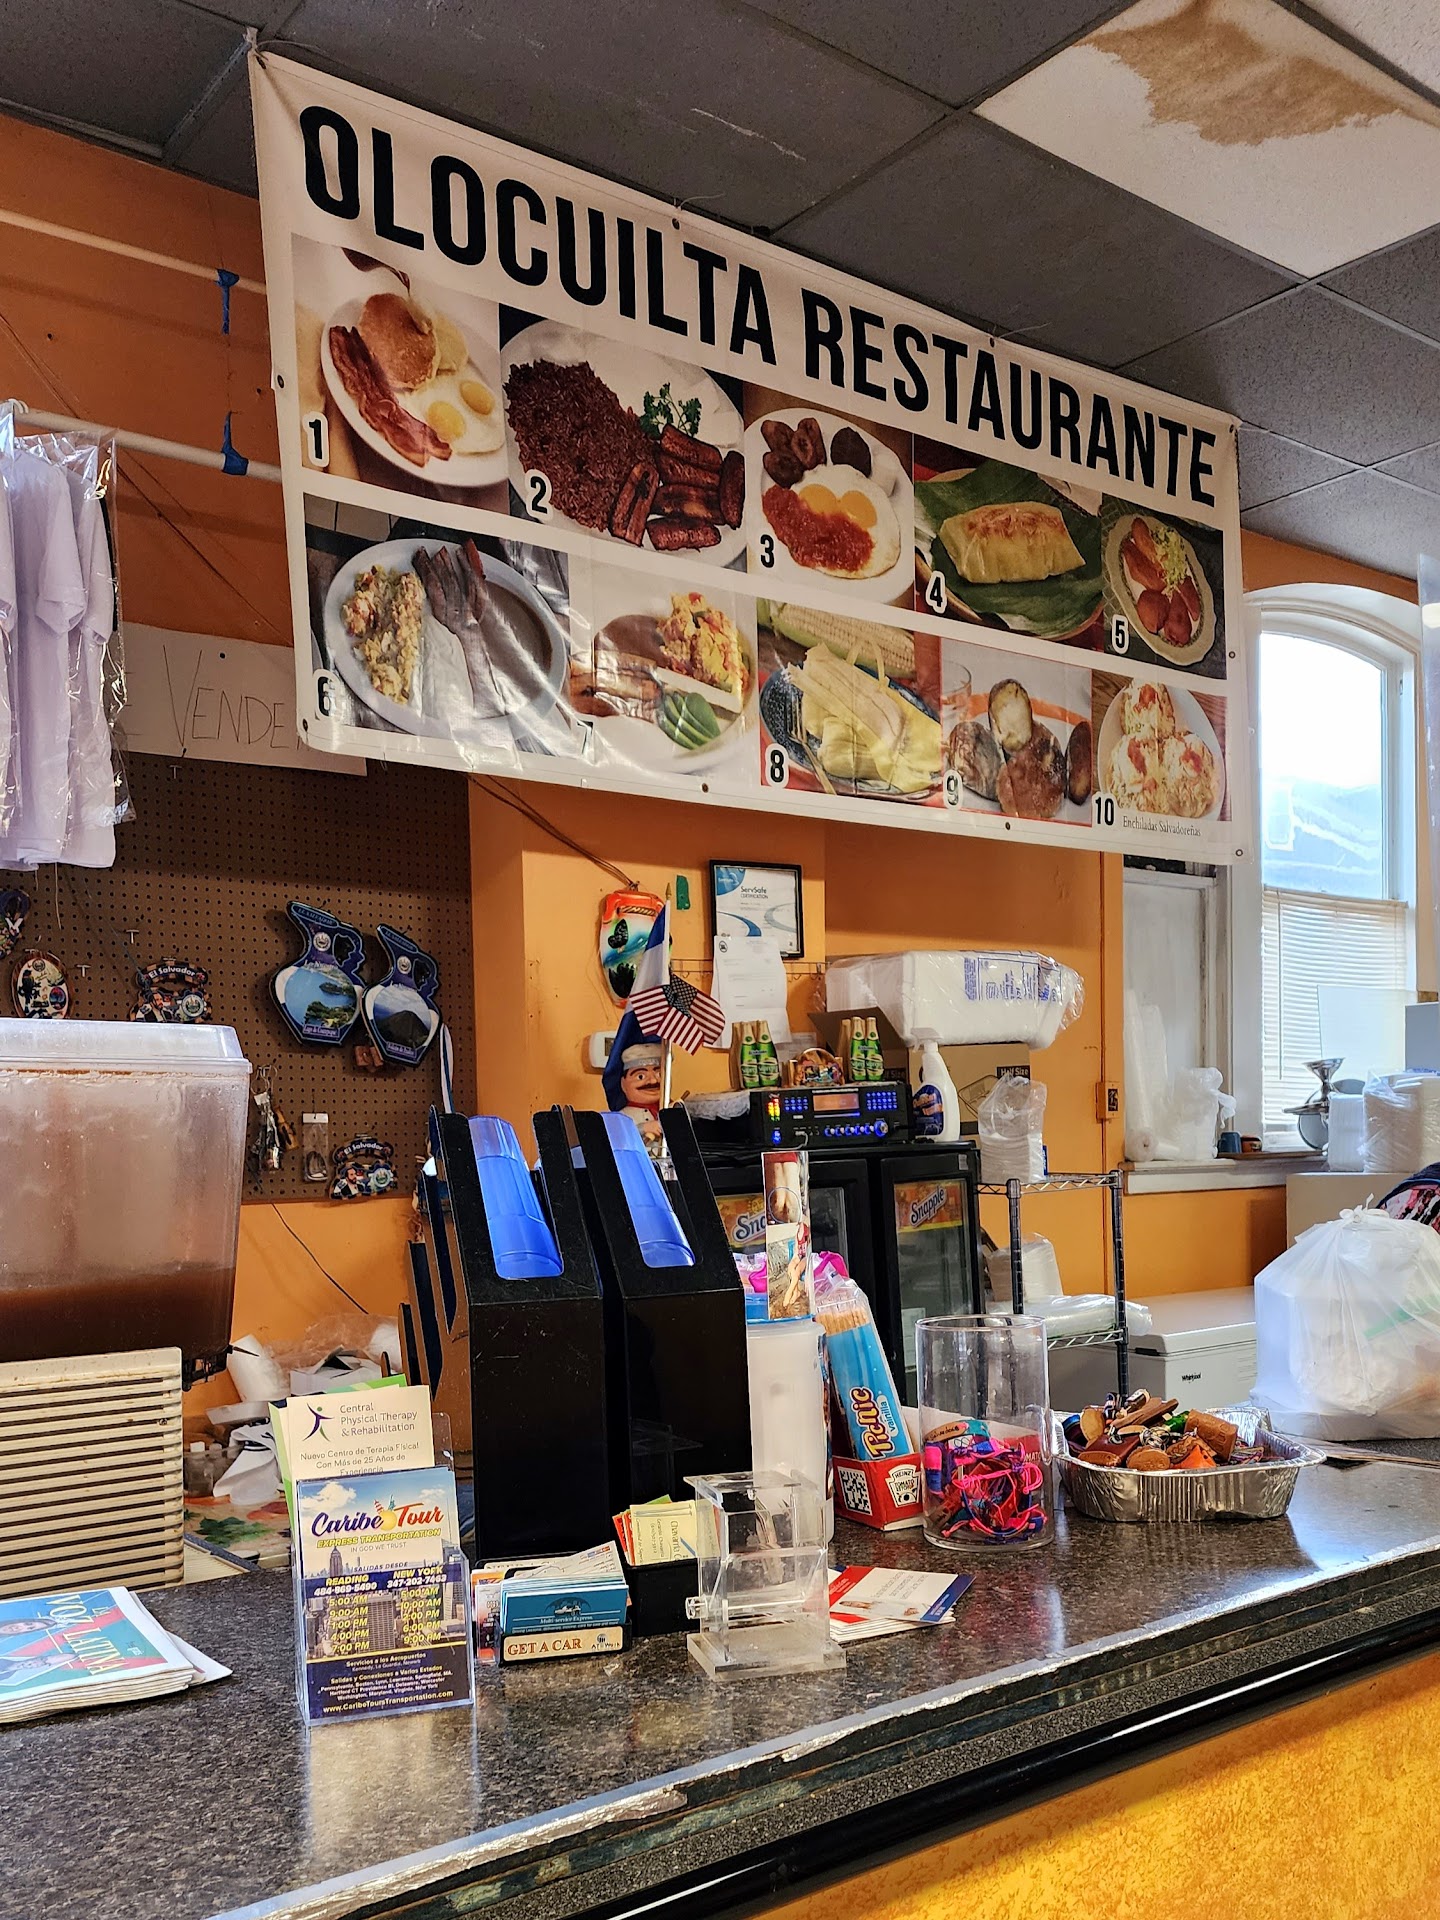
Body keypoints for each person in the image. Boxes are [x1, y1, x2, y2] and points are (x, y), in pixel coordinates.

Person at [617, 1040, 664, 1148]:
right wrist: (642, 1128)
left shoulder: (671, 1110)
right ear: (623, 1084)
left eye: (659, 1074)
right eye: (641, 1076)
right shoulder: (622, 1117)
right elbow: (617, 1139)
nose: (653, 1081)